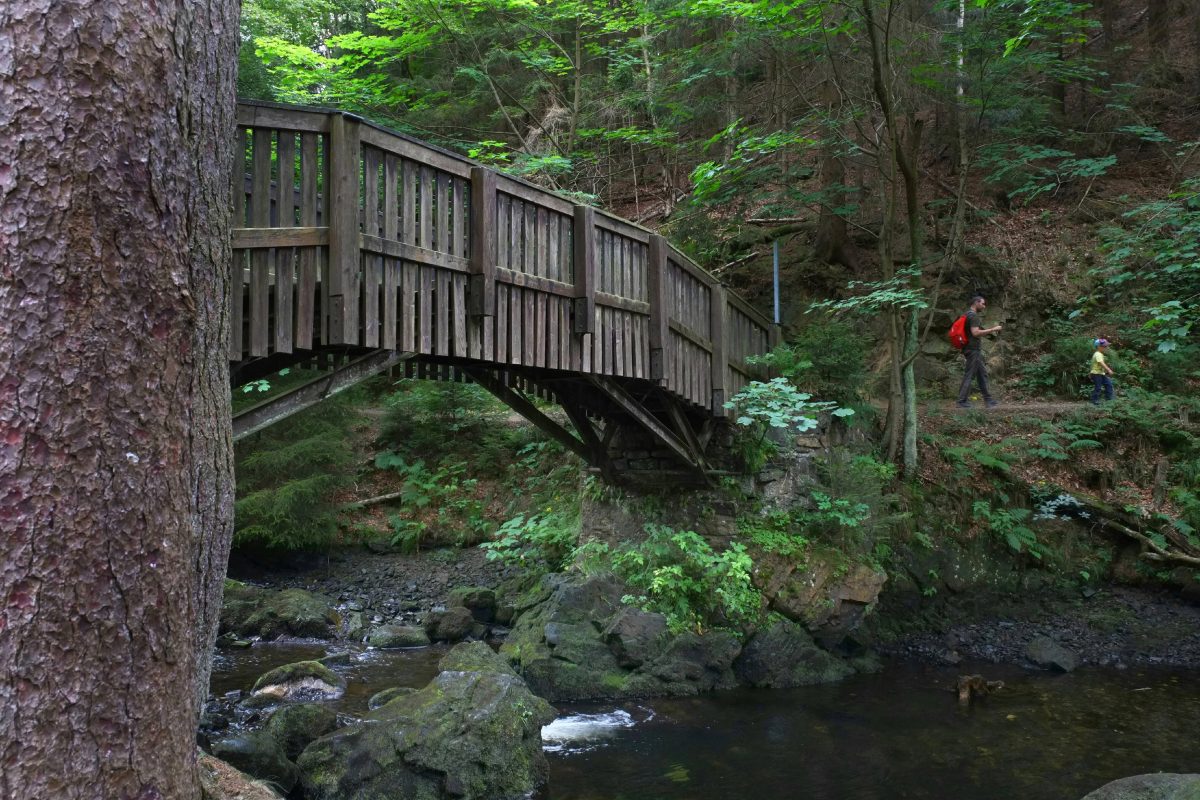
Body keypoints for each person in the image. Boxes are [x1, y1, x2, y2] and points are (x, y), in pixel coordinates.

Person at [956, 295, 1003, 408]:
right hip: (972, 350)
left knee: (982, 374)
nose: (984, 306)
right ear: (976, 303)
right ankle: (961, 401)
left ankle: (988, 400)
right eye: (982, 303)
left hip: (969, 348)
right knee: (970, 374)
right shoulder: (973, 316)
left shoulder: (966, 314)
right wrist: (993, 329)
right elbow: (975, 333)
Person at [1089, 338, 1115, 405]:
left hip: (1101, 373)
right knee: (1098, 387)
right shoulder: (1097, 354)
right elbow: (1101, 363)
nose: (1106, 348)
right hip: (1096, 374)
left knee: (1108, 384)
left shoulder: (1100, 354)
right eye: (1104, 346)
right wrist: (1108, 370)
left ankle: (1109, 399)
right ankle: (1094, 400)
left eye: (1106, 346)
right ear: (1098, 347)